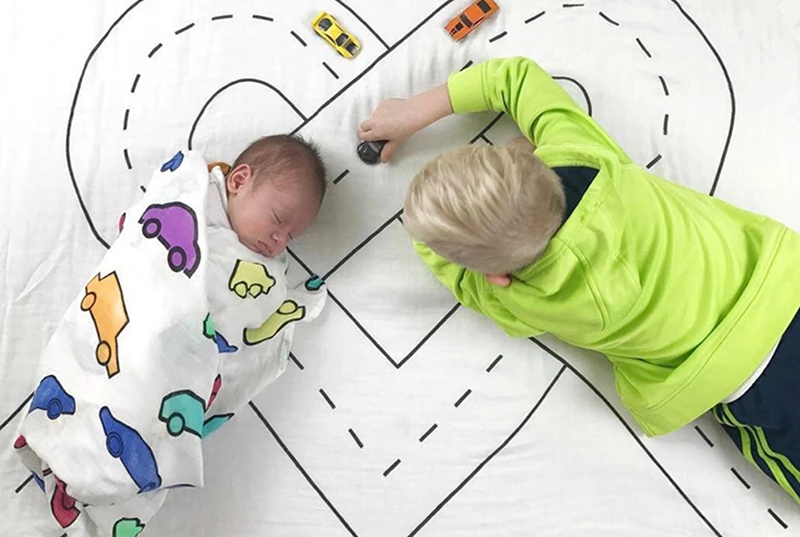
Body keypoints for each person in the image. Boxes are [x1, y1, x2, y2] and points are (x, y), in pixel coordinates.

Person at [358, 56, 800, 503]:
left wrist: (426, 231)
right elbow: (514, 77)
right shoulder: (584, 154)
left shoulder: (521, 300)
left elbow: (453, 273)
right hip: (783, 280)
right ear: (531, 158)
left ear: (496, 276)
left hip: (747, 380)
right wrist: (416, 110)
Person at [15, 133, 328, 534]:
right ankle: (69, 443)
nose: (279, 240)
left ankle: (104, 484)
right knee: (112, 376)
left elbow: (247, 324)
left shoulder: (264, 274)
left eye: (291, 237)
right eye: (279, 220)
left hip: (172, 368)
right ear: (238, 181)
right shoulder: (185, 192)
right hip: (128, 331)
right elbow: (137, 239)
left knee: (146, 416)